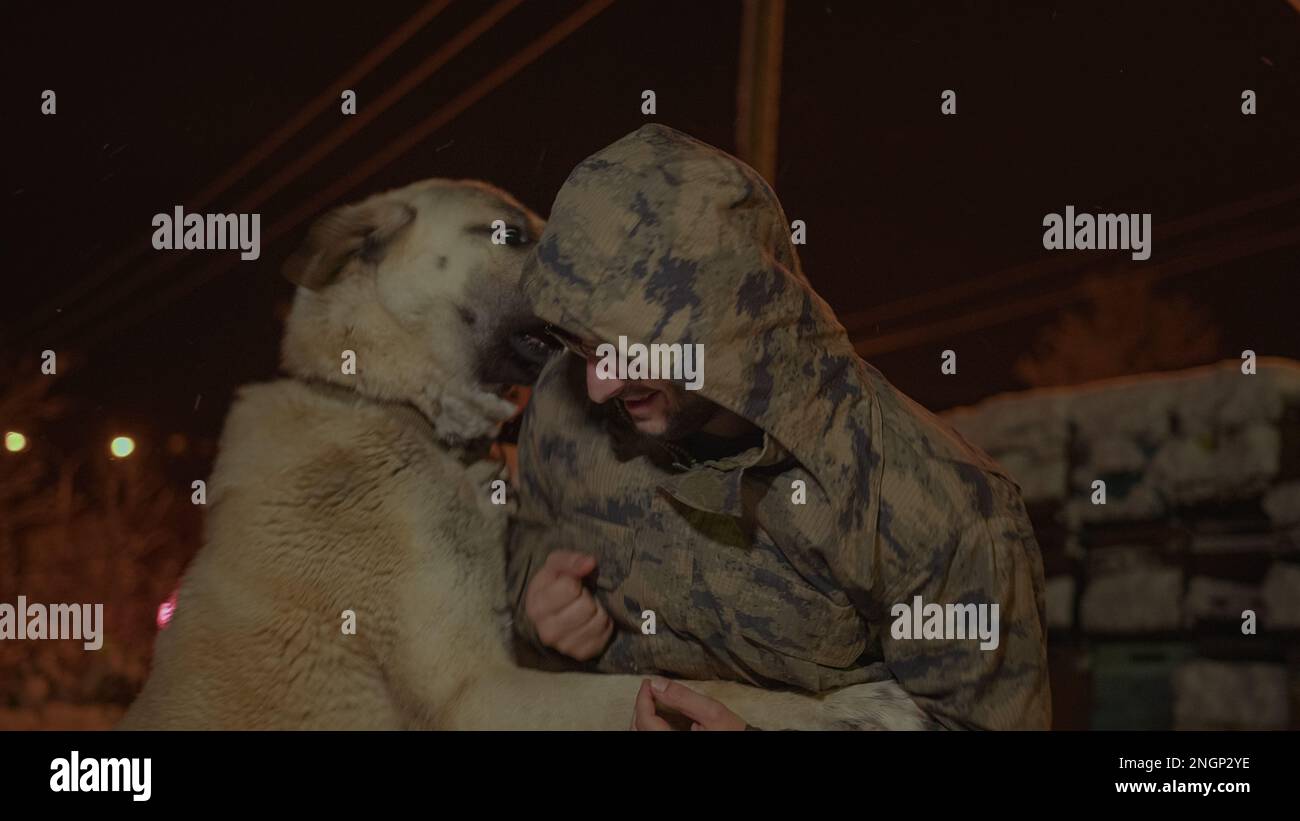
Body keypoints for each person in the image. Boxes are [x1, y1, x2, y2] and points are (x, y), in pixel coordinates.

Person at [506, 124, 1050, 730]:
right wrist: (537, 602)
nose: (597, 385)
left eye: (626, 351)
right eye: (582, 345)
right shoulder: (562, 403)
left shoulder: (939, 507)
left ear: (724, 330)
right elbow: (529, 534)